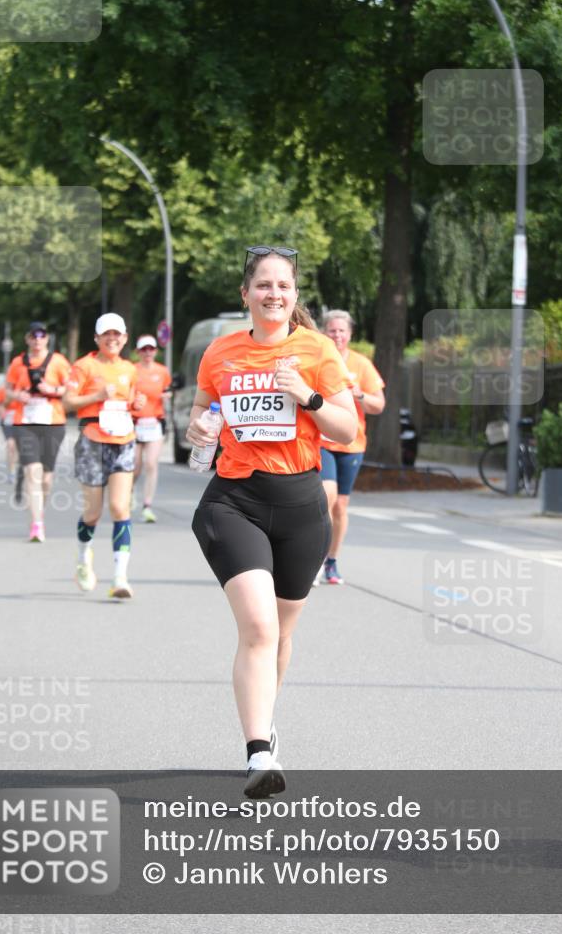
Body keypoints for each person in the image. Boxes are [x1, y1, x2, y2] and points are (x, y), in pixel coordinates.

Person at [187, 246, 358, 798]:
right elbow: (201, 410)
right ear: (246, 294)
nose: (274, 294)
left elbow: (346, 428)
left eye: (283, 285)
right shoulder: (220, 352)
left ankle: (265, 721)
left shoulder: (315, 351)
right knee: (258, 628)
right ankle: (259, 751)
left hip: (301, 507)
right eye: (263, 285)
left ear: (294, 295)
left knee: (282, 634)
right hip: (234, 500)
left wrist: (306, 396)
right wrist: (199, 430)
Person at [63, 313, 142, 600]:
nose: (112, 339)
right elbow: (67, 401)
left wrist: (137, 404)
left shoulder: (130, 369)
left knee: (121, 508)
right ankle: (84, 558)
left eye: (117, 334)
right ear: (97, 338)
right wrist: (95, 396)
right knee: (93, 513)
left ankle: (120, 577)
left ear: (125, 338)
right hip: (92, 441)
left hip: (123, 441)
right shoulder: (84, 366)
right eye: (106, 334)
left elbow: (131, 402)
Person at [316, 310, 385, 585]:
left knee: (341, 506)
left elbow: (379, 405)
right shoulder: (318, 359)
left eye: (342, 331)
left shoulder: (361, 364)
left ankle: (332, 560)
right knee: (326, 497)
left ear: (350, 334)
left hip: (352, 442)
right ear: (324, 332)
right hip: (321, 440)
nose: (337, 335)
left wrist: (357, 393)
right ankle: (315, 559)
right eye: (332, 330)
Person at [5, 322, 71, 542]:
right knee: (32, 471)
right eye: (33, 336)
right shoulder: (17, 362)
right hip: (25, 422)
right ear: (27, 339)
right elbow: (6, 389)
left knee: (46, 478)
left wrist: (51, 390)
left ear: (47, 339)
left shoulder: (59, 361)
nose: (37, 339)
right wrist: (17, 396)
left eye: (41, 335)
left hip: (53, 423)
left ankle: (39, 511)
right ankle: (36, 524)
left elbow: (71, 389)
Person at [132, 334, 172, 523]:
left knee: (151, 464)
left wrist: (167, 395)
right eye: (144, 349)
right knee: (136, 466)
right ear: (138, 352)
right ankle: (128, 492)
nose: (148, 352)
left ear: (155, 351)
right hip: (135, 422)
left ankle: (147, 505)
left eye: (151, 349)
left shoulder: (162, 371)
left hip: (155, 422)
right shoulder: (132, 371)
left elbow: (167, 389)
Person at [0, 384, 19, 485]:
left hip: (24, 420)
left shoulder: (27, 387)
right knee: (11, 445)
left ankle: (20, 468)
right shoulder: (4, 389)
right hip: (8, 421)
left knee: (21, 447)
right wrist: (2, 413)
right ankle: (12, 472)